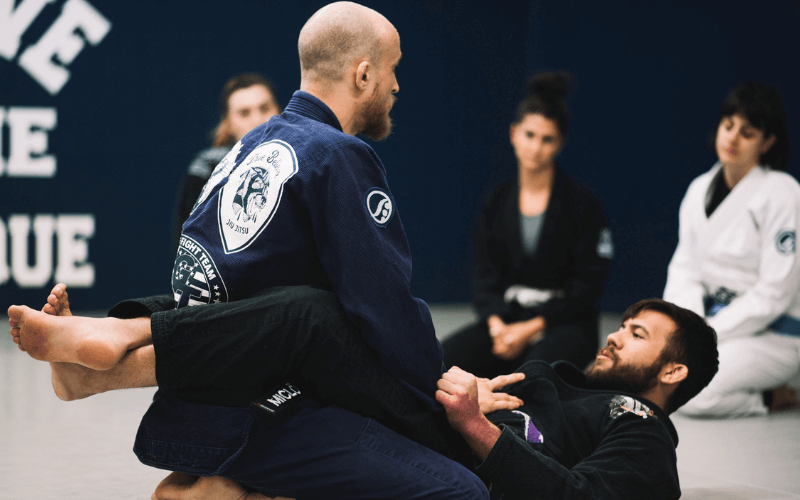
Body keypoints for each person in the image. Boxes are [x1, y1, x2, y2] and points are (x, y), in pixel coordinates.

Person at [9, 3, 489, 499]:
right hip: (263, 415)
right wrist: (444, 394)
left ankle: (224, 487)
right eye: (393, 68)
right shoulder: (338, 155)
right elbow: (385, 309)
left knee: (302, 314)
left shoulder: (249, 145)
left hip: (186, 417)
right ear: (363, 74)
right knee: (462, 487)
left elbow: (218, 298)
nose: (396, 85)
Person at [10, 289, 719, 500]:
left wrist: (476, 426)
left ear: (673, 373)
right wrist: (467, 383)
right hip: (441, 417)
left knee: (313, 317)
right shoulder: (562, 379)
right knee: (284, 299)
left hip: (458, 451)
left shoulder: (640, 427)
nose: (616, 336)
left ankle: (109, 353)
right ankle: (98, 368)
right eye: (623, 324)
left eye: (638, 335)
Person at [443, 72, 613, 378]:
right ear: (513, 134)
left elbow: (588, 285)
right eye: (529, 135)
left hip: (567, 324)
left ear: (560, 143)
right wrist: (497, 326)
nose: (536, 147)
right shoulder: (496, 202)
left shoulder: (582, 205)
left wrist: (530, 329)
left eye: (547, 139)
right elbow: (485, 276)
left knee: (532, 378)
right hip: (508, 319)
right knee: (443, 362)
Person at [664, 82, 800, 418]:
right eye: (728, 126)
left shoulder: (784, 195)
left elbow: (775, 293)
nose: (733, 138)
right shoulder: (699, 189)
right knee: (656, 374)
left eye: (748, 132)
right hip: (709, 323)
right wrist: (688, 330)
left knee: (692, 394)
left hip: (773, 334)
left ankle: (771, 397)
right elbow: (684, 270)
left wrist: (708, 334)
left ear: (767, 142)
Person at [172, 73, 281, 249]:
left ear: (279, 111)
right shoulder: (207, 169)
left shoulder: (304, 162)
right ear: (228, 122)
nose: (258, 120)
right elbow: (188, 245)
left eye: (264, 108)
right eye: (244, 113)